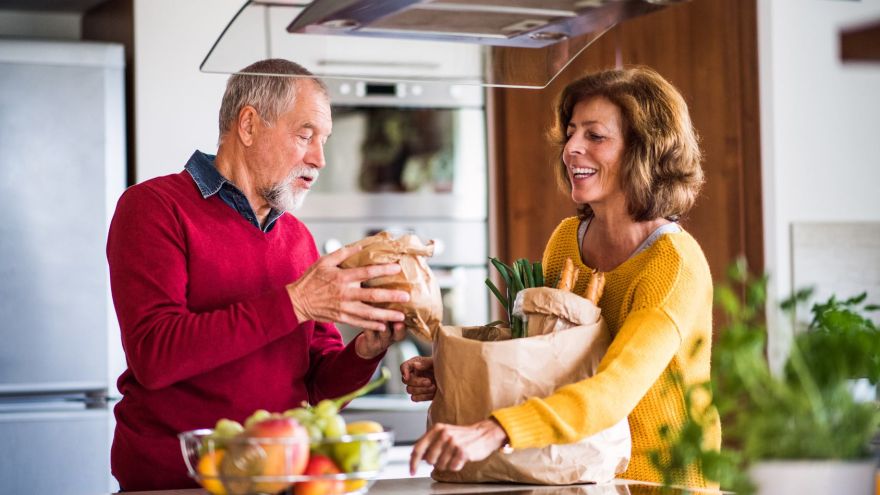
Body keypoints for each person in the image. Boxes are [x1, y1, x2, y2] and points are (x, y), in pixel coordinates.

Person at [402, 66, 721, 487]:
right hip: (581, 473)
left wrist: (495, 430)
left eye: (595, 135)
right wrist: (454, 370)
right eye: (571, 132)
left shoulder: (673, 264)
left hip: (661, 482)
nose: (571, 148)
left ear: (645, 150)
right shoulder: (567, 240)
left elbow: (614, 388)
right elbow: (544, 352)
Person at [106, 59, 411, 491]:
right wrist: (295, 303)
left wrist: (365, 350)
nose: (320, 159)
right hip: (176, 482)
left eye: (323, 140)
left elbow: (318, 386)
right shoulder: (154, 208)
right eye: (305, 135)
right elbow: (155, 355)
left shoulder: (298, 237)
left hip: (281, 478)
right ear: (248, 125)